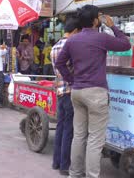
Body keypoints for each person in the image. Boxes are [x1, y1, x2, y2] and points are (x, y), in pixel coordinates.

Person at [55, 5, 131, 178]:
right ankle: (91, 175)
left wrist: (71, 80)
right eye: (100, 16)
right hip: (96, 92)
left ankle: (75, 173)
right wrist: (112, 26)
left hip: (77, 92)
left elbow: (60, 63)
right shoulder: (101, 38)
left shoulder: (72, 40)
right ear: (95, 20)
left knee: (79, 135)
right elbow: (126, 44)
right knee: (95, 140)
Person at [51, 16, 81, 176]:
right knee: (69, 129)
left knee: (61, 127)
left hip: (60, 91)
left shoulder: (54, 47)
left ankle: (56, 162)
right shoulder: (72, 46)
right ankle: (65, 165)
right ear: (75, 31)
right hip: (70, 91)